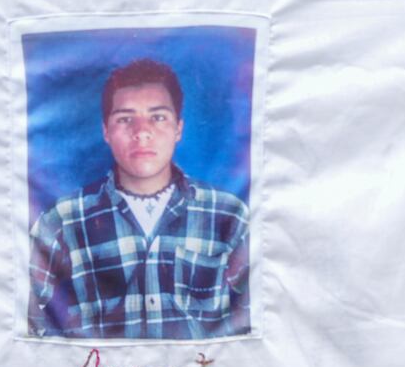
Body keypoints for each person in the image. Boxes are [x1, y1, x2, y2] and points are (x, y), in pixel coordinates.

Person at [28, 58, 250, 340]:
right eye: (125, 119)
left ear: (178, 129)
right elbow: (28, 326)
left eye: (157, 117)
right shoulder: (62, 221)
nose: (142, 132)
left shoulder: (228, 216)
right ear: (106, 131)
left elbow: (255, 323)